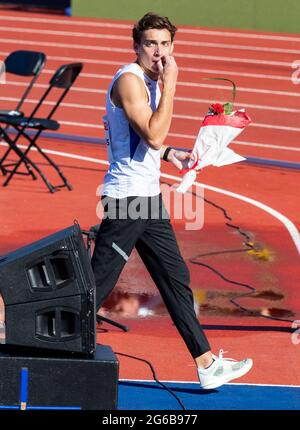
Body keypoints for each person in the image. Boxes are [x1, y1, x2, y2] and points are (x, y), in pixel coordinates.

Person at [92, 12, 253, 390]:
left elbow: (148, 138)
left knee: (175, 279)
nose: (159, 51)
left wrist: (170, 155)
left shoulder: (150, 82)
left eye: (165, 44)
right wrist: (173, 84)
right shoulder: (130, 80)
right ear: (136, 46)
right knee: (97, 284)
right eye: (150, 43)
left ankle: (207, 363)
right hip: (126, 199)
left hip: (147, 197)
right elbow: (150, 131)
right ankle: (45, 347)